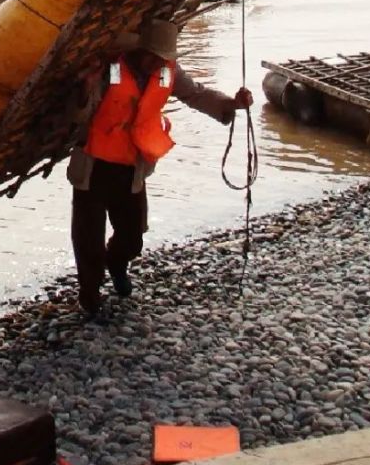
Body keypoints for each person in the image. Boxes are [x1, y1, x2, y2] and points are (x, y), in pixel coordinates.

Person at [67, 19, 254, 318]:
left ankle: (116, 264)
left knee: (133, 235)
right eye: (152, 56)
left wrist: (231, 103)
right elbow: (78, 114)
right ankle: (89, 295)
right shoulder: (110, 68)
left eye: (162, 58)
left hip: (132, 167)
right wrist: (85, 89)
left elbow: (196, 94)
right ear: (138, 50)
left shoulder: (168, 71)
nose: (157, 63)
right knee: (88, 237)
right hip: (93, 164)